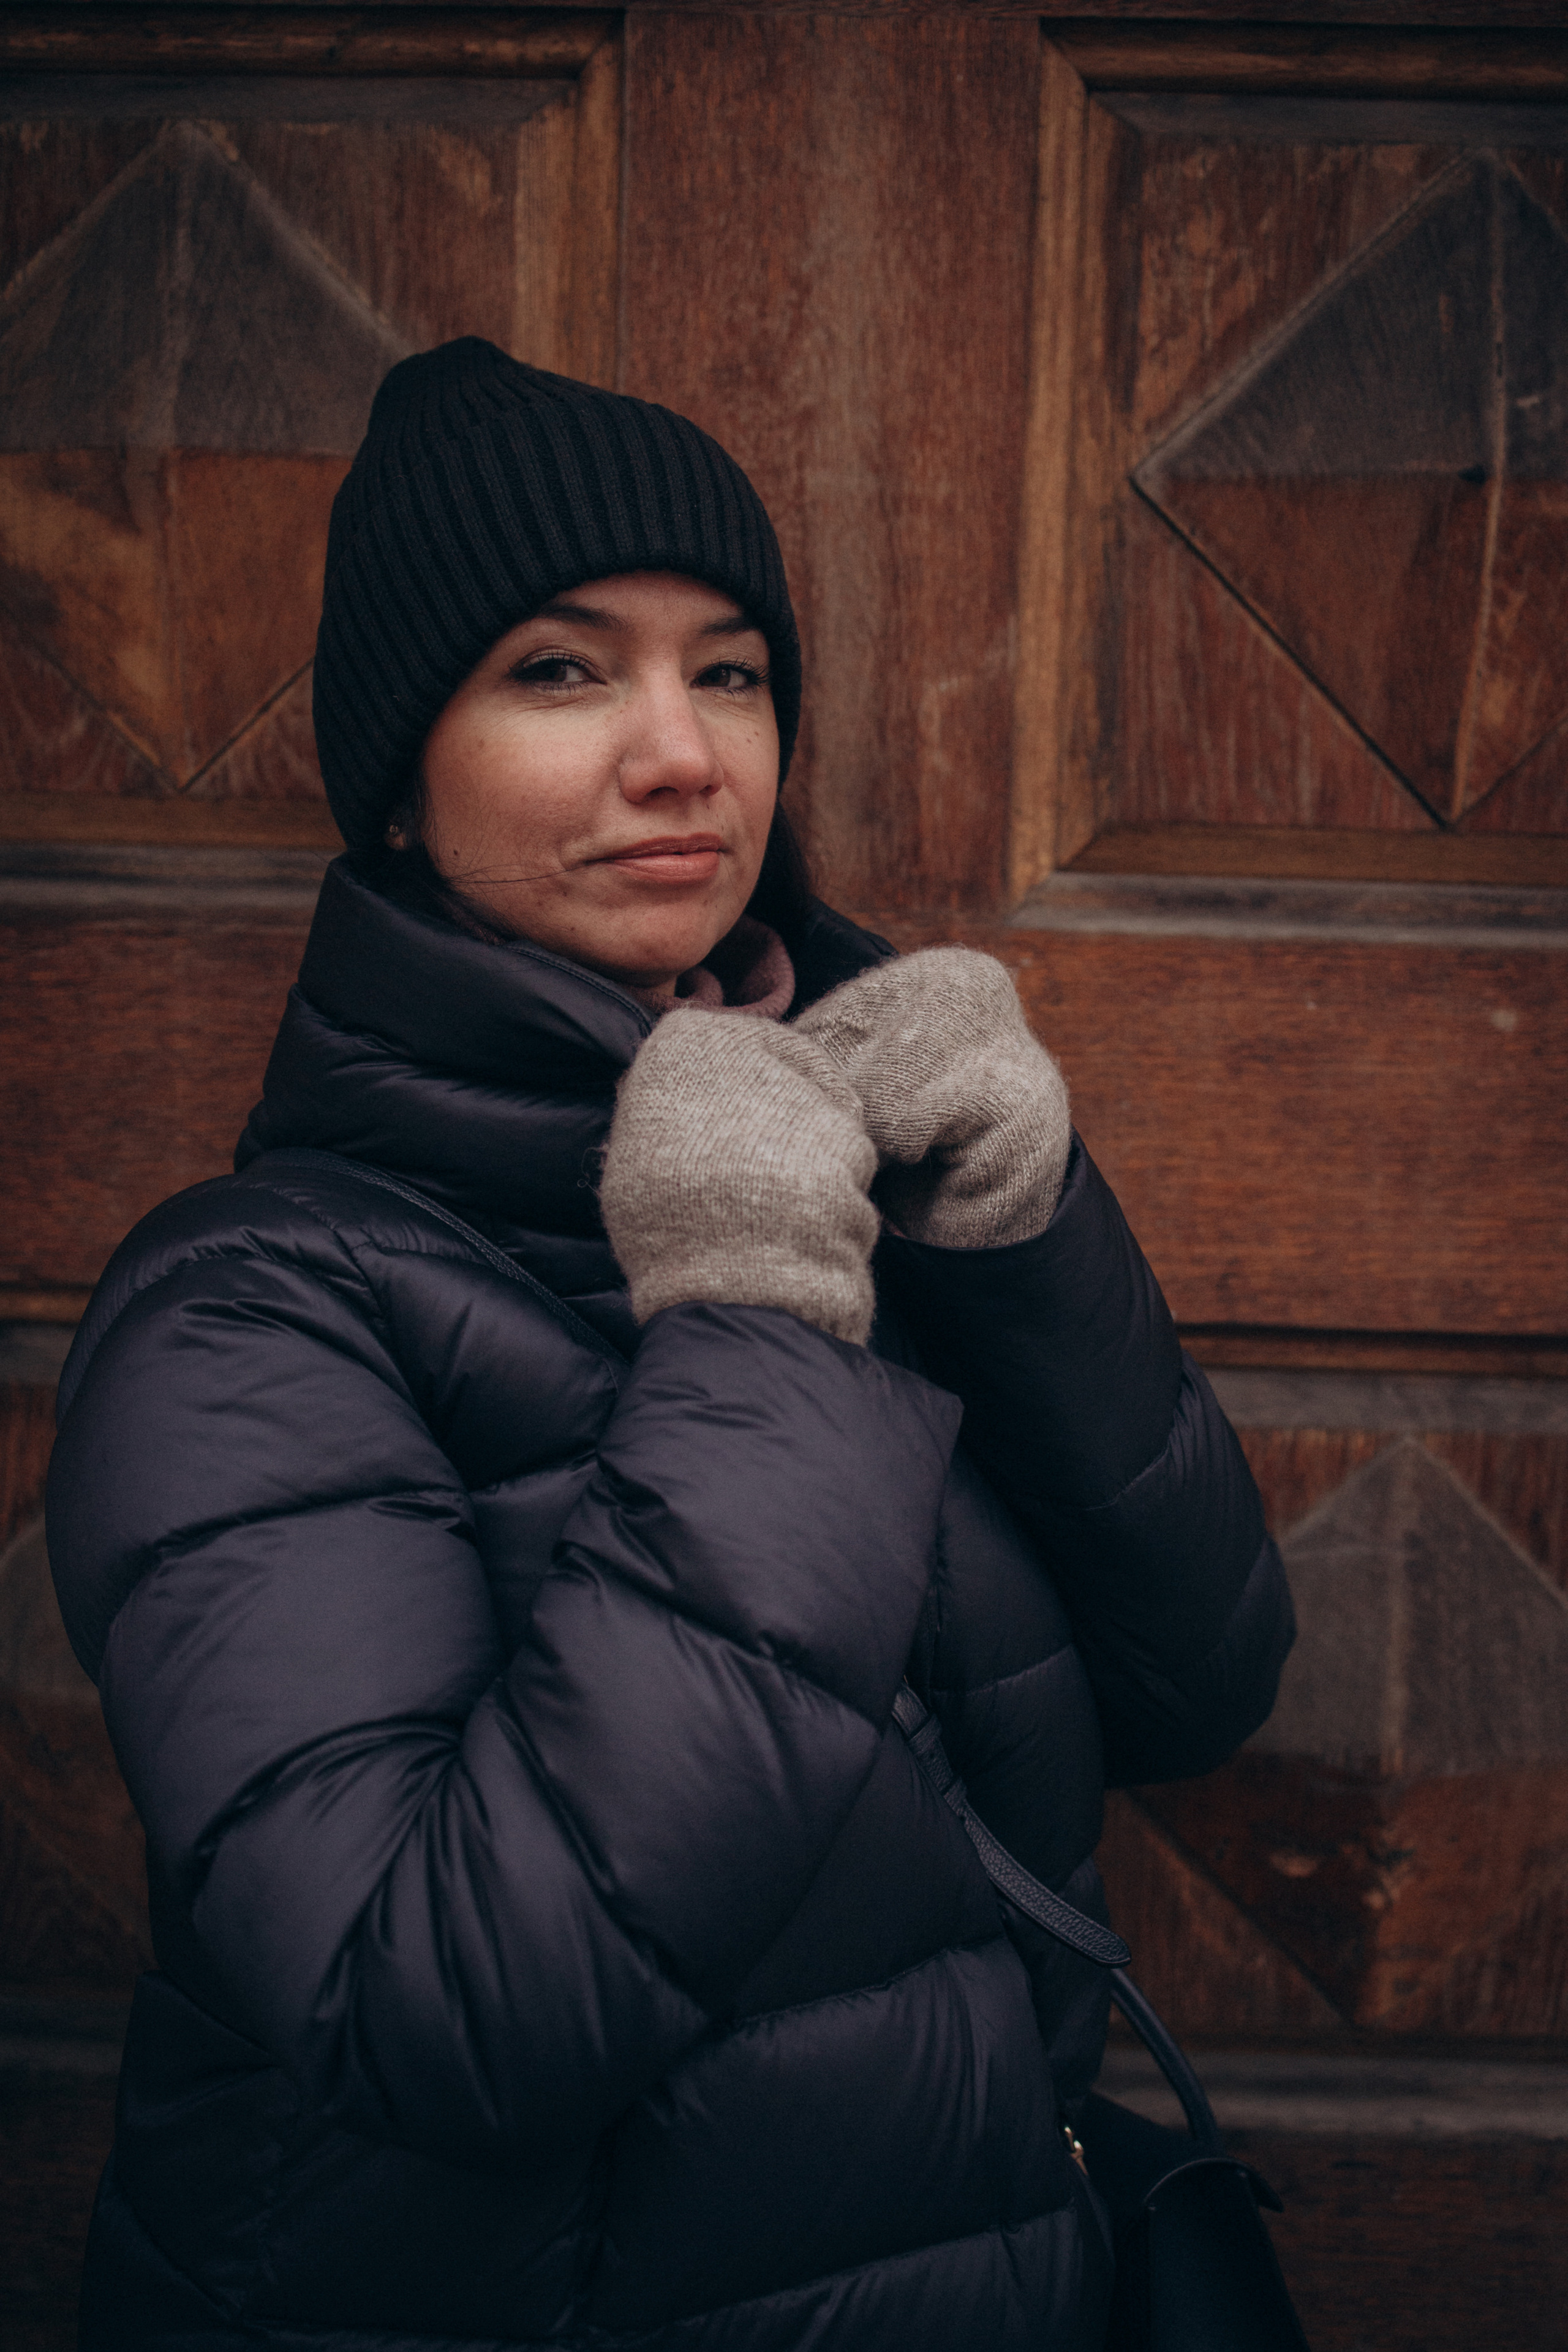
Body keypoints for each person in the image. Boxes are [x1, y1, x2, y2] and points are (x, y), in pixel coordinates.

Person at [47, 339, 1294, 2352]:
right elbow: (452, 2010)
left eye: (729, 669)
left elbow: (1200, 1684)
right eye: (559, 671)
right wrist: (752, 1313)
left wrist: (1019, 1234)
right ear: (394, 785)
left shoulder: (851, 1150)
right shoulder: (250, 1312)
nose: (684, 753)